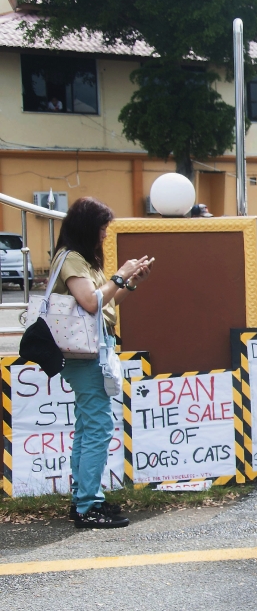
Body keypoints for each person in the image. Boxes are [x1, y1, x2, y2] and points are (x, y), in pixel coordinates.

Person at [53, 197, 153, 528]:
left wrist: (131, 281)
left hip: (93, 350)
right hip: (84, 354)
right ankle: (86, 506)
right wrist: (120, 276)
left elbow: (108, 301)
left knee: (88, 427)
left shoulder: (84, 260)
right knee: (97, 428)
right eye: (102, 228)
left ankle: (86, 499)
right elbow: (90, 303)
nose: (105, 234)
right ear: (87, 228)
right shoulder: (72, 260)